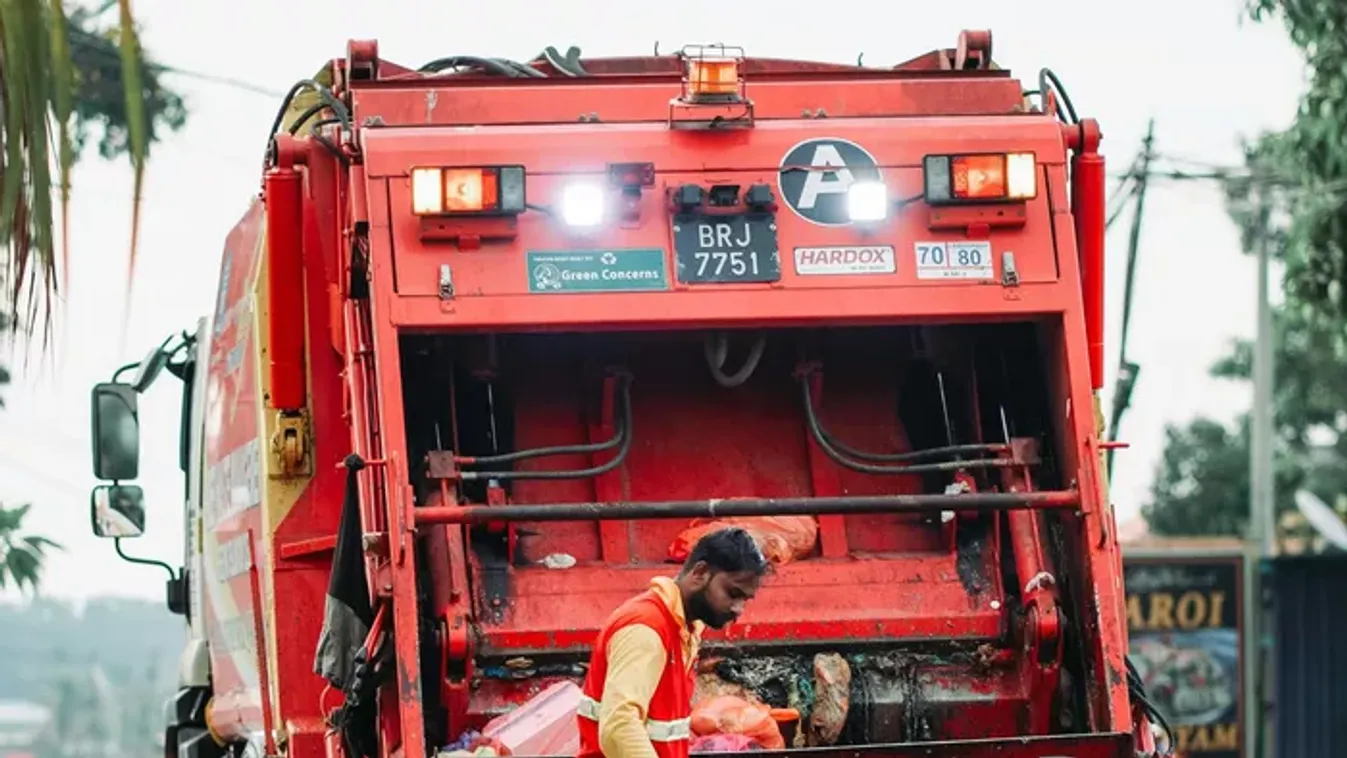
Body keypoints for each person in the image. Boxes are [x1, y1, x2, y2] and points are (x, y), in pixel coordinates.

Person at [576, 527, 770, 758]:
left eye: (744, 600)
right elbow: (619, 727)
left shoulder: (682, 628)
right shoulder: (646, 628)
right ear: (700, 573)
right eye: (732, 593)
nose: (738, 610)